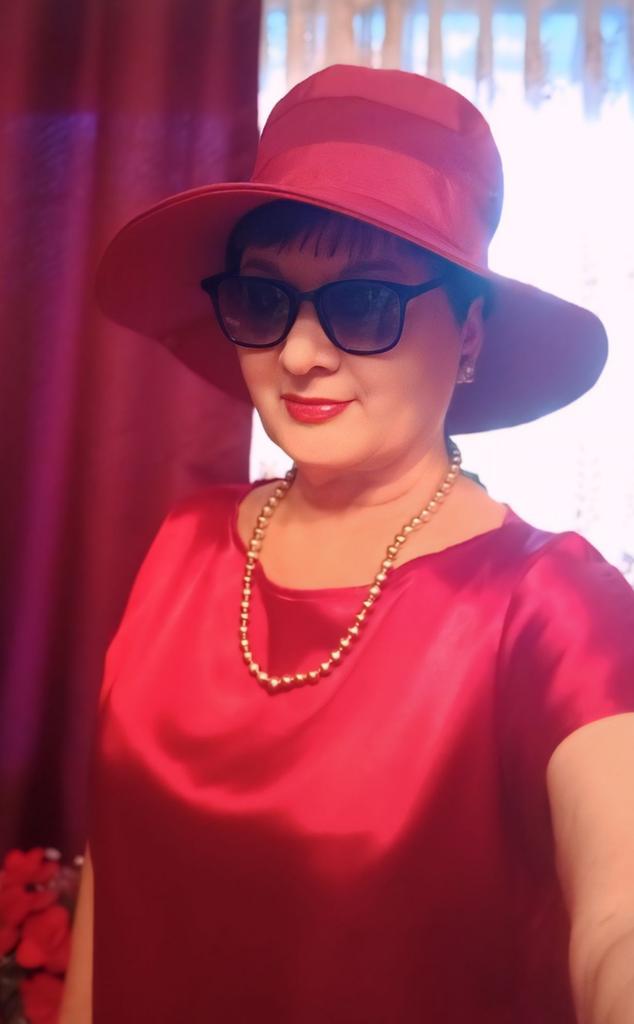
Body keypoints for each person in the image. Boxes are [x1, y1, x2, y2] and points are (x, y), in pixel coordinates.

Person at [61, 65, 634, 1024]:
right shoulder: (185, 545)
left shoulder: (554, 607)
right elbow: (114, 881)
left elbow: (618, 914)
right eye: (262, 301)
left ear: (469, 333)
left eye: (363, 305)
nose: (298, 354)